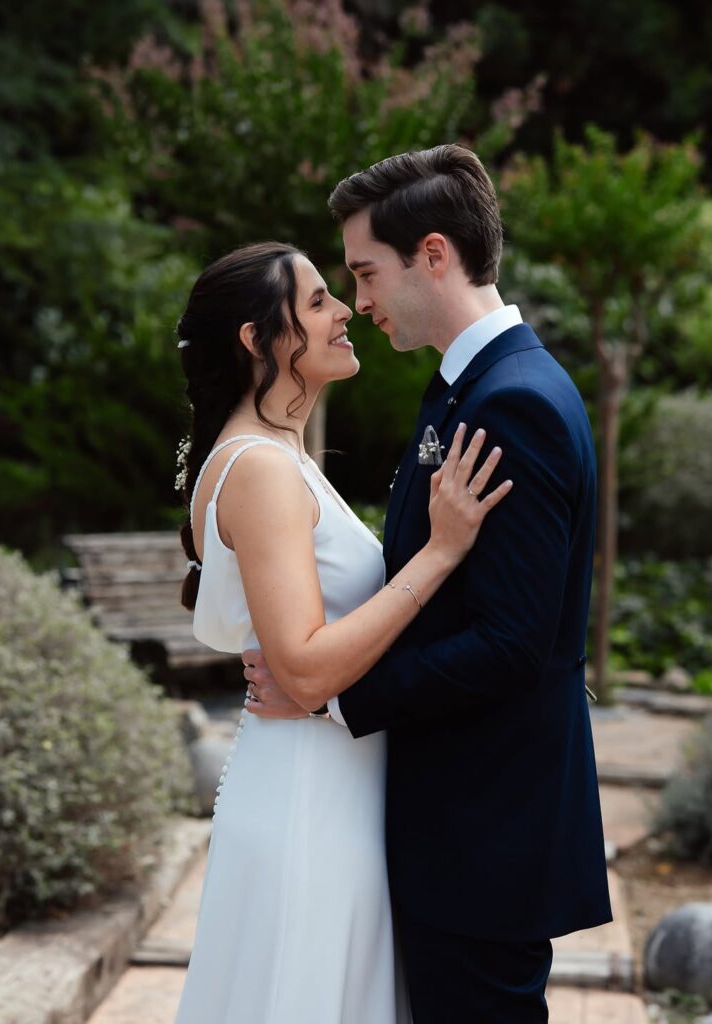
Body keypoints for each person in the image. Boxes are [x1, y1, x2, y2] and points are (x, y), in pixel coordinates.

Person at [242, 145, 613, 1023]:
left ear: (435, 255)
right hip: (462, 827)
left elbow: (511, 643)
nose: (359, 300)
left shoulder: (510, 403)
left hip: (485, 833)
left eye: (366, 272)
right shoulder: (469, 388)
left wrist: (328, 695)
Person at [172, 240, 511, 1024]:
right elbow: (308, 669)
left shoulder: (278, 453)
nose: (344, 313)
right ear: (257, 339)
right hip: (308, 800)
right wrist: (440, 553)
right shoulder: (258, 467)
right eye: (318, 299)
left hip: (327, 784)